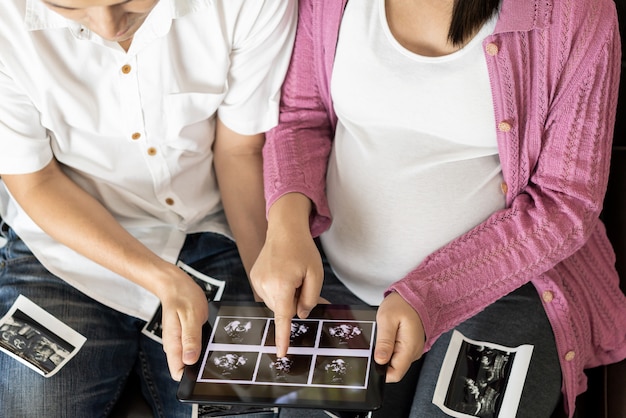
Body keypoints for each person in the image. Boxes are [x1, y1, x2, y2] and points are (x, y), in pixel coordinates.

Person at [251, 0, 626, 417]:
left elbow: (565, 202)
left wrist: (429, 296)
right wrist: (287, 225)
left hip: (504, 293)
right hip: (334, 288)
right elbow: (301, 118)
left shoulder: (573, 12)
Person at [0, 0, 296, 416]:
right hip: (65, 247)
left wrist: (263, 274)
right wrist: (163, 279)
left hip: (209, 232)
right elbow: (35, 181)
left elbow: (238, 151)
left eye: (126, 0)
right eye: (68, 6)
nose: (107, 27)